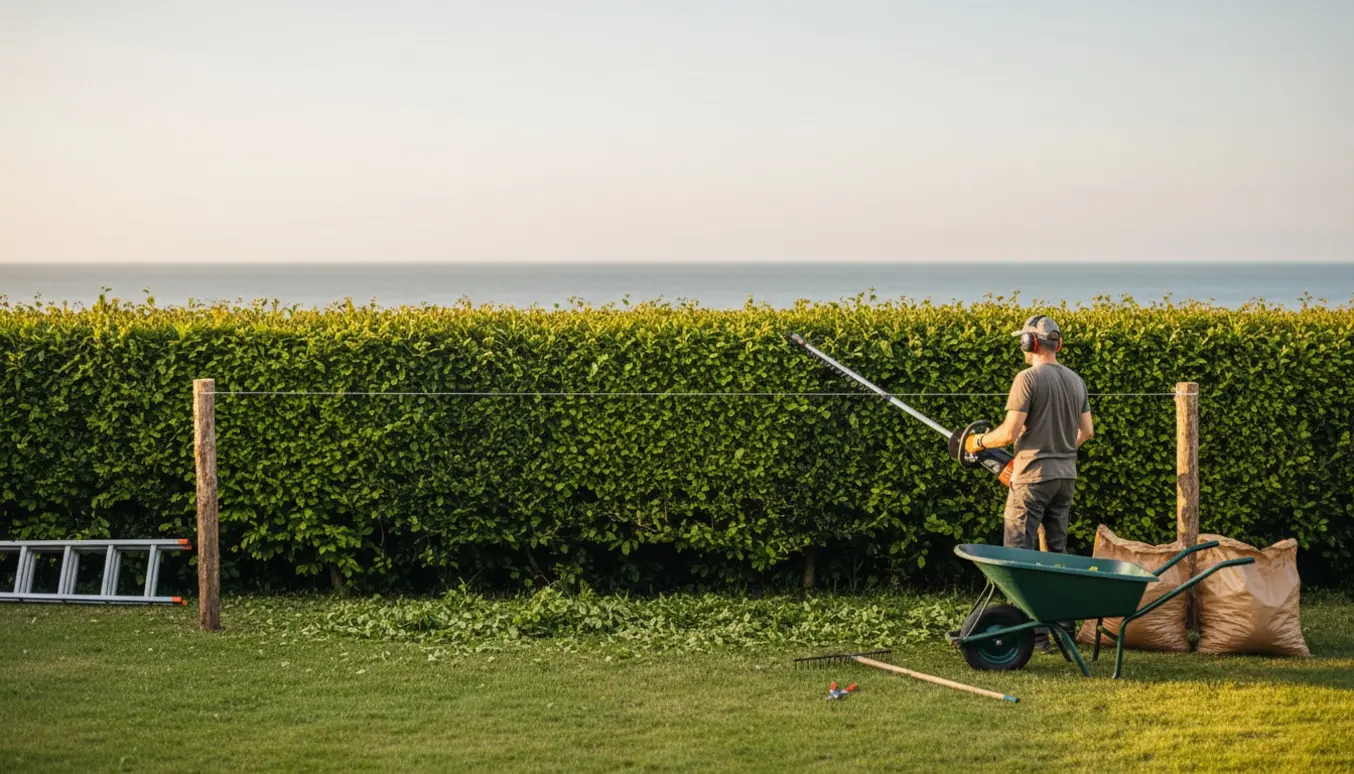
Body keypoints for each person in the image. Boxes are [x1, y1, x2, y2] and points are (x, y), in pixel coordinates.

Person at [964, 314, 1094, 552]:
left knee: (1017, 549)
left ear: (1029, 342)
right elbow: (1087, 431)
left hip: (1032, 478)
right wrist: (1059, 449)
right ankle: (1056, 578)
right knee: (1056, 552)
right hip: (1065, 479)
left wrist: (977, 441)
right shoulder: (1077, 381)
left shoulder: (1027, 378)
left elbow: (1009, 433)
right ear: (1058, 344)